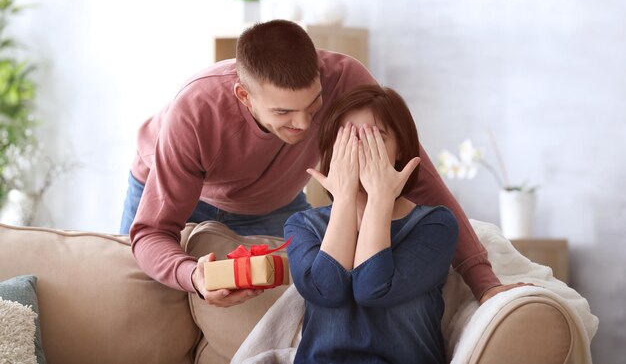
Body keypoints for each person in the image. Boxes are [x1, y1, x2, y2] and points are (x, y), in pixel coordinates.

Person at [124, 19, 517, 308]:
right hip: (168, 184)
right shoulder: (195, 111)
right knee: (142, 298)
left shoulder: (346, 80)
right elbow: (151, 232)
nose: (304, 124)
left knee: (302, 298)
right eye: (284, 112)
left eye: (313, 106)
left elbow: (417, 177)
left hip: (271, 201)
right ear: (244, 96)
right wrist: (192, 275)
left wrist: (485, 282)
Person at [284, 85, 457, 364]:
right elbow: (326, 290)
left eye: (375, 139)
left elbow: (372, 287)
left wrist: (379, 197)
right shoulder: (303, 225)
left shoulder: (435, 224)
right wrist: (343, 198)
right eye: (349, 140)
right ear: (333, 149)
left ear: (400, 148)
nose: (361, 152)